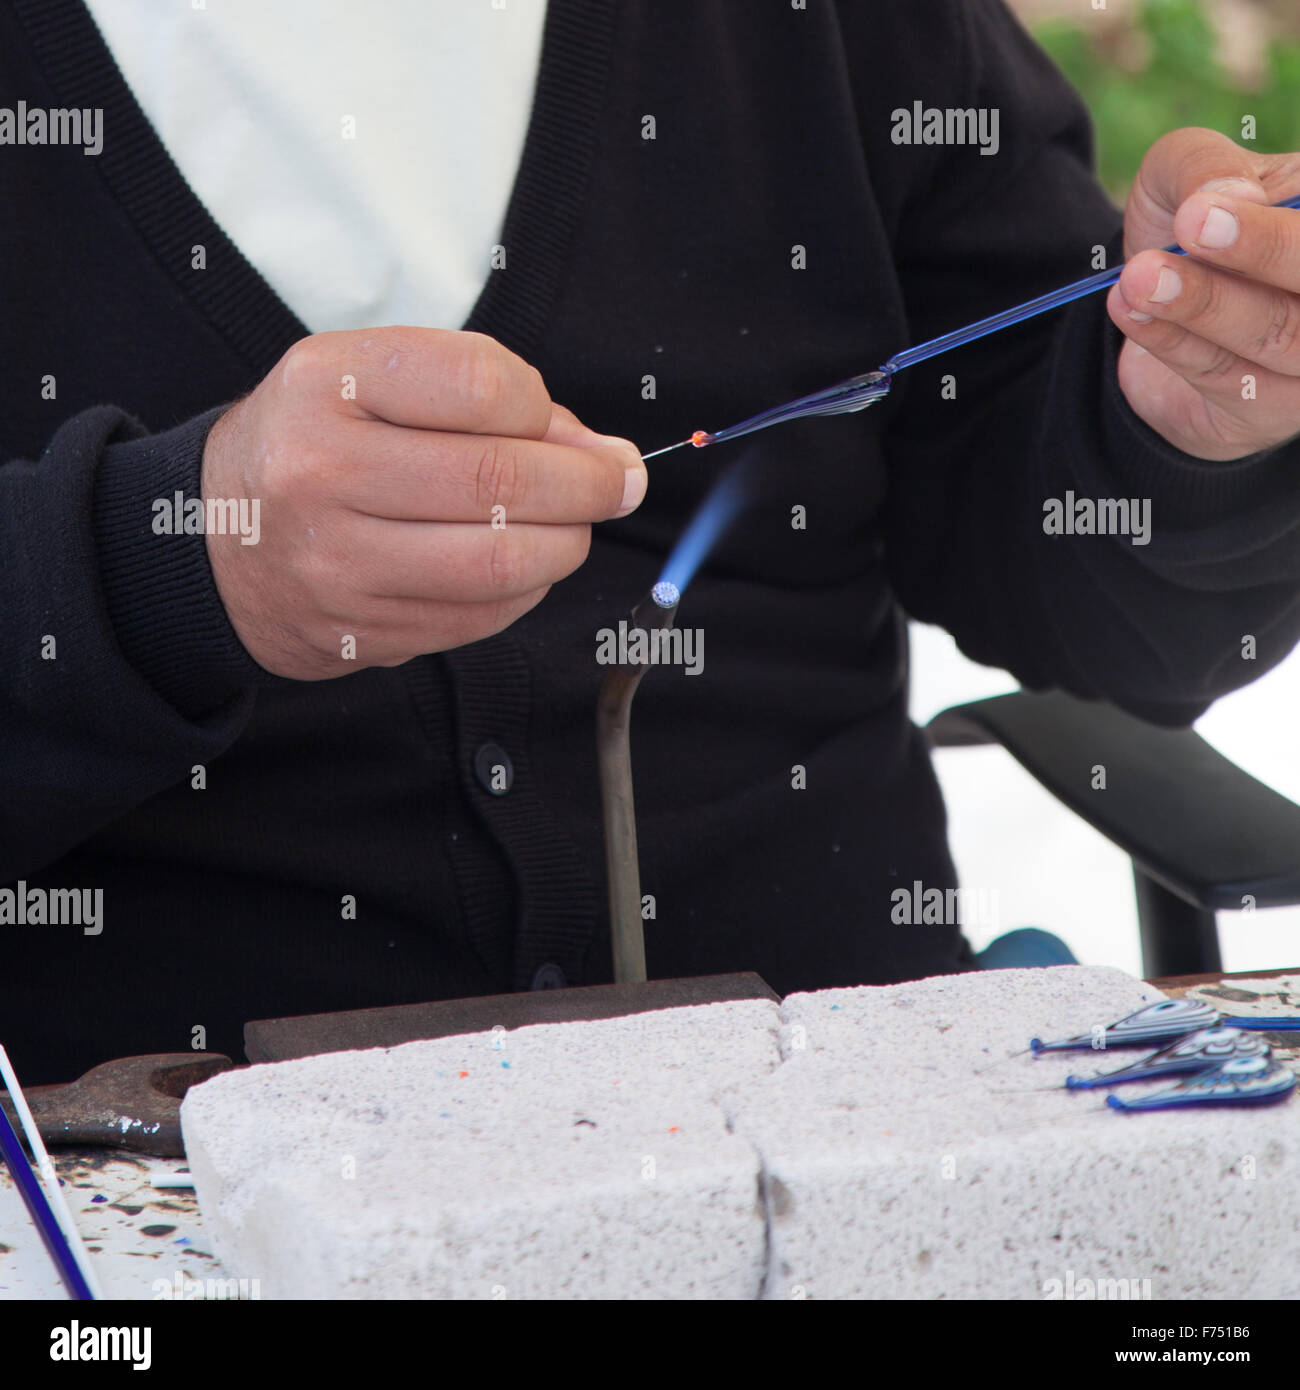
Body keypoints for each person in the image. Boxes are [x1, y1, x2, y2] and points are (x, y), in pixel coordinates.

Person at [5, 0, 1300, 1084]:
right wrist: (162, 565)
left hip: (855, 1132)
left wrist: (1183, 428)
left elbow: (1068, 528)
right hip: (149, 1165)